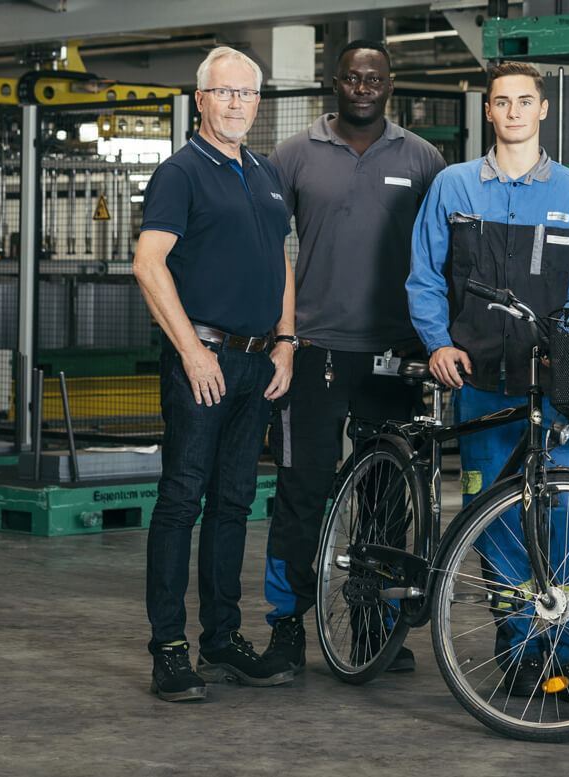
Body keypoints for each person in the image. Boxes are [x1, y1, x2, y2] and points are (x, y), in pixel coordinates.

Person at [407, 61, 569, 700]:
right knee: (492, 518)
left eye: (526, 101)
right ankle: (521, 648)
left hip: (552, 386)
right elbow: (424, 276)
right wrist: (439, 343)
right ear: (488, 112)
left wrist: (566, 355)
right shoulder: (453, 186)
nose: (515, 112)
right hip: (480, 382)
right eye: (503, 102)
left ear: (543, 110)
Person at [259, 40, 446, 675]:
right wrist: (280, 332)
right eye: (351, 77)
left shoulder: (422, 159)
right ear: (333, 83)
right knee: (302, 489)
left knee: (387, 497)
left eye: (374, 77)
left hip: (396, 355)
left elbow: (440, 254)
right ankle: (285, 627)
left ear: (390, 84)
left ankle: (375, 628)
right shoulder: (293, 155)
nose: (362, 85)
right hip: (314, 353)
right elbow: (263, 244)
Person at [134, 46, 297, 702]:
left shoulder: (264, 172)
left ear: (259, 102)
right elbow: (150, 263)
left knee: (234, 502)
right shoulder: (180, 173)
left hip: (259, 361)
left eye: (246, 94)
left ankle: (222, 639)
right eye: (223, 92)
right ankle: (169, 648)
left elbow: (282, 261)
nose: (235, 103)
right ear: (200, 99)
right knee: (181, 498)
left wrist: (286, 342)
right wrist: (192, 351)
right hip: (202, 360)